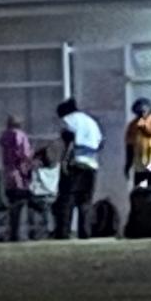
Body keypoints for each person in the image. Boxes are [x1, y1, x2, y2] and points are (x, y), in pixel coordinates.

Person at [53, 98, 103, 240]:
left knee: (67, 199)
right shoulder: (92, 122)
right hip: (91, 164)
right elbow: (100, 143)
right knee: (85, 201)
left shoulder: (69, 120)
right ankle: (85, 232)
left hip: (74, 164)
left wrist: (64, 162)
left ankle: (63, 232)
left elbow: (68, 140)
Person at [0, 115, 35, 241]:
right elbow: (25, 154)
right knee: (21, 203)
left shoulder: (4, 136)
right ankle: (22, 232)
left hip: (8, 174)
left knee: (12, 204)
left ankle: (13, 232)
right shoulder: (20, 135)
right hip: (19, 174)